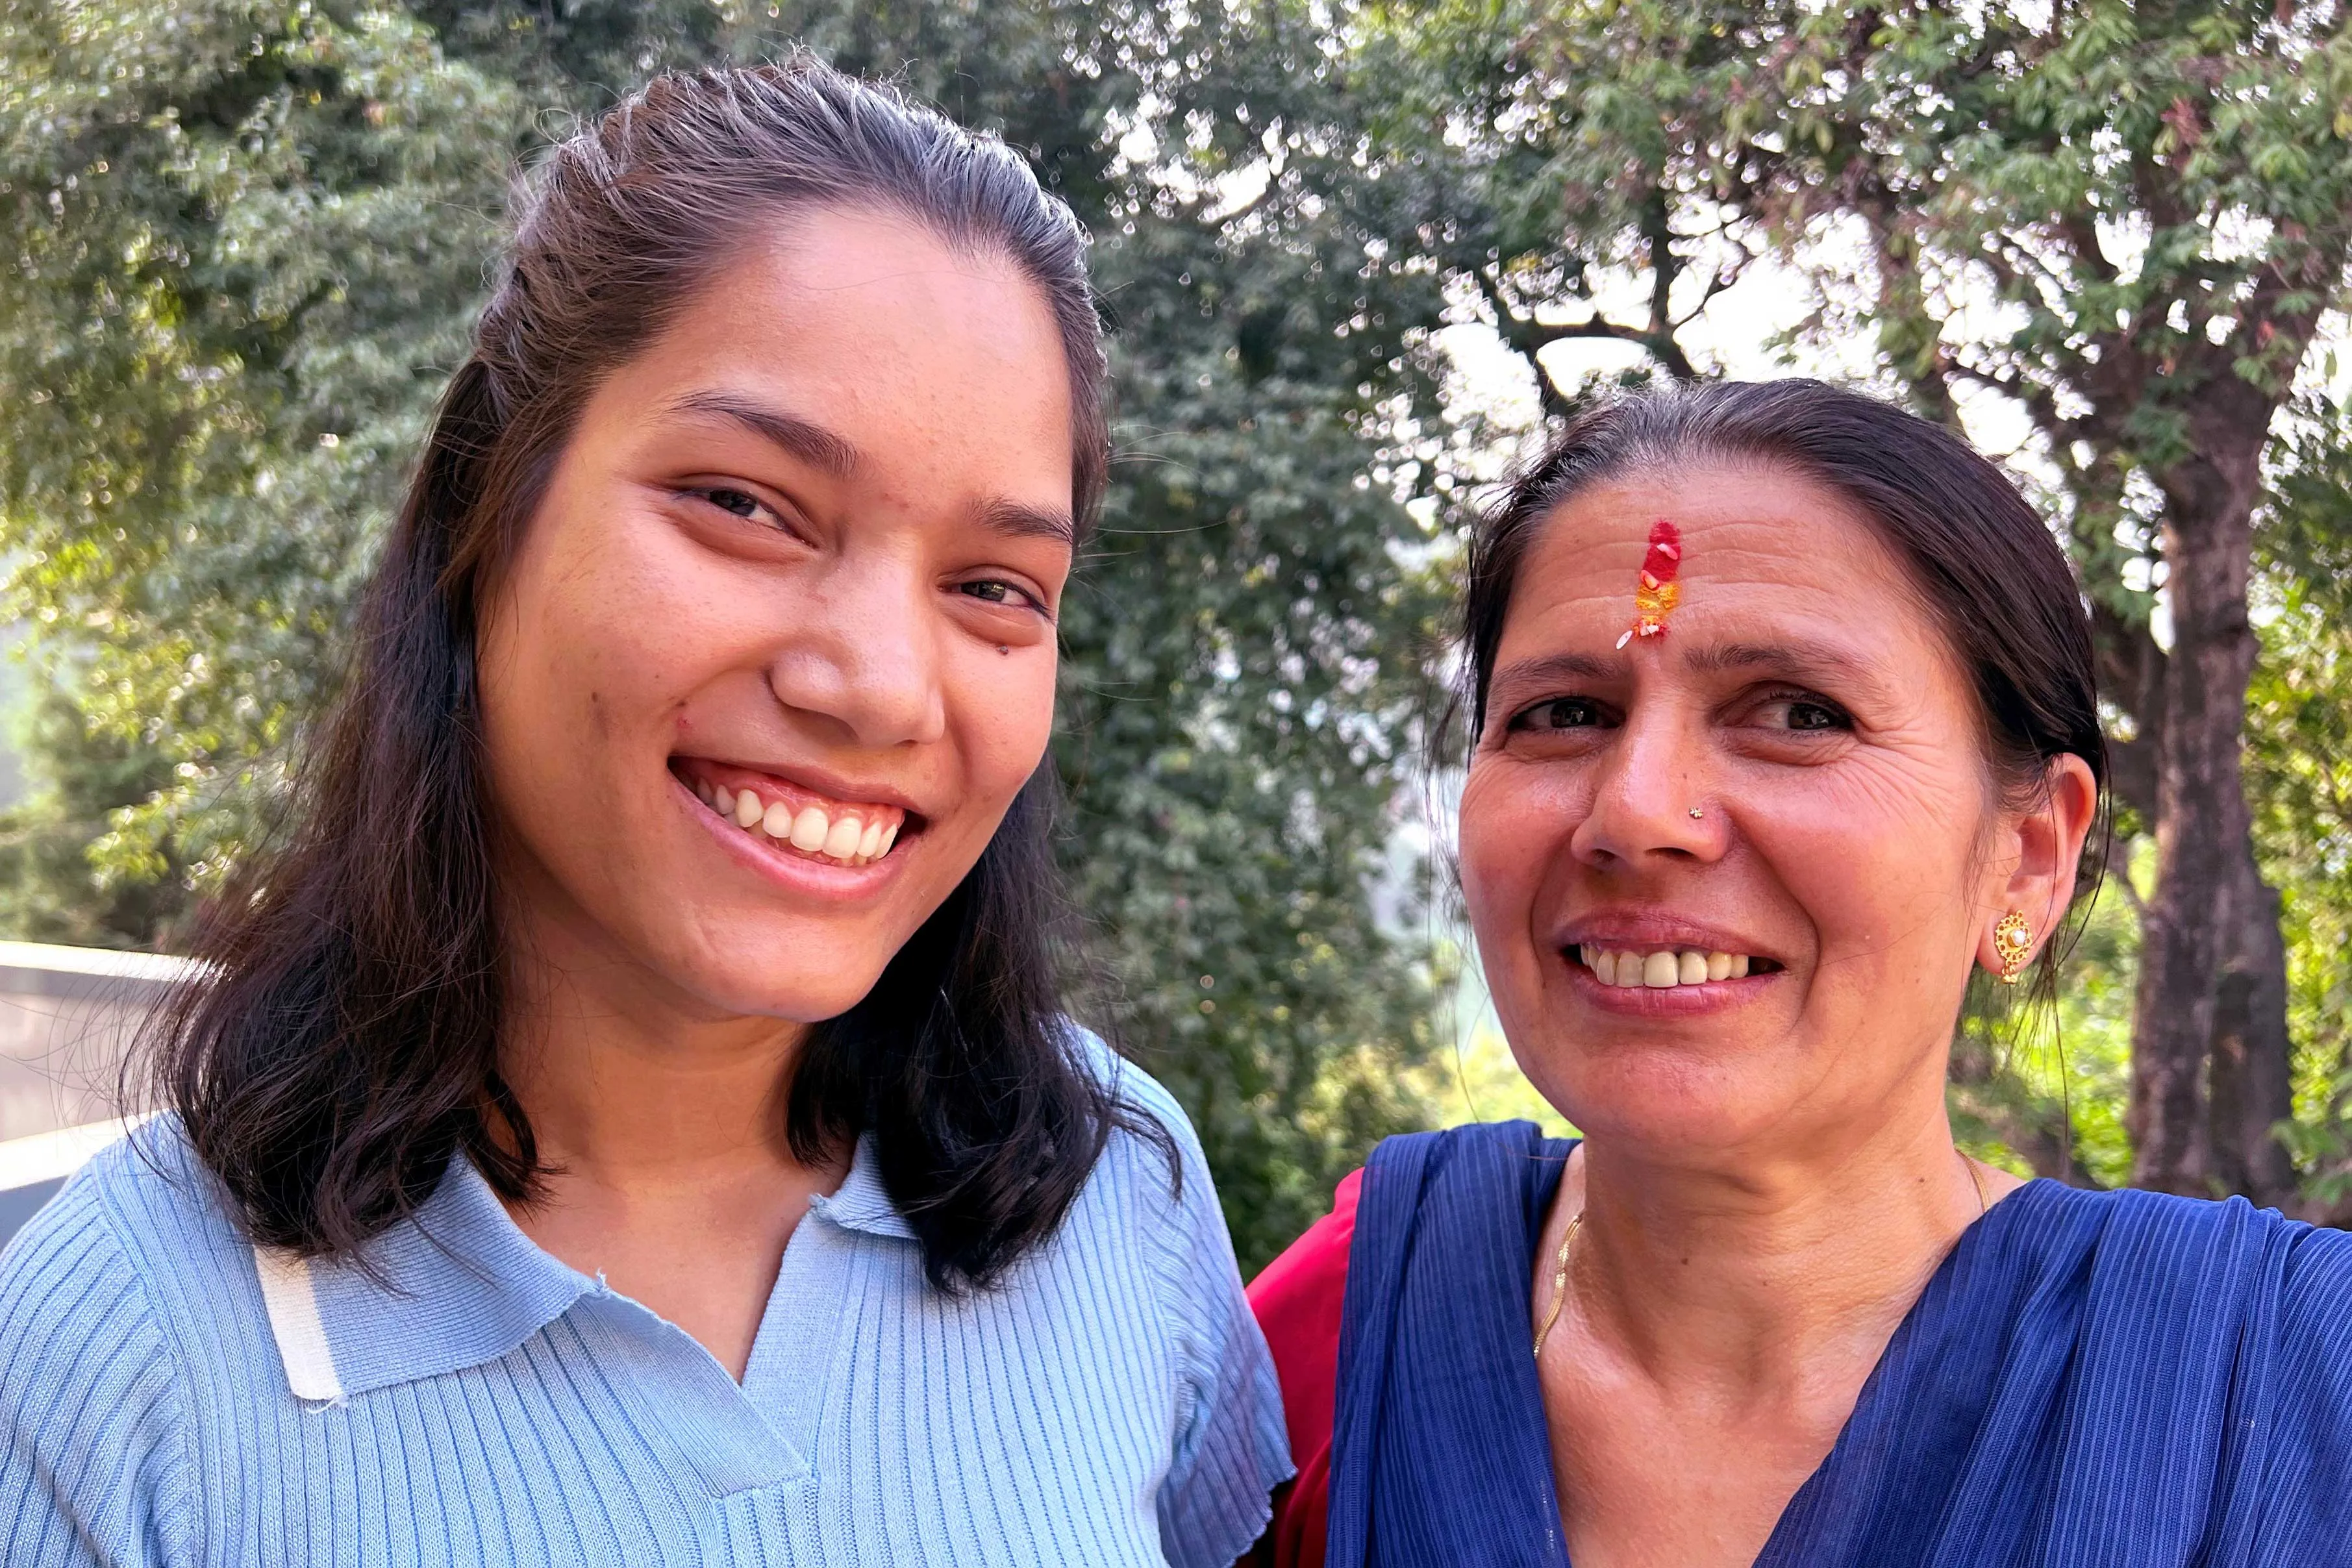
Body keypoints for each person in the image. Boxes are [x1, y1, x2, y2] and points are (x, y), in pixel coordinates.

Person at [0, 61, 1288, 1567]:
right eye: (745, 503)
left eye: (995, 588)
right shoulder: (119, 1353)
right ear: (490, 513)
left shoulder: (1117, 1192)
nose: (878, 688)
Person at [1248, 380, 2352, 1568]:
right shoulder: (1359, 1316)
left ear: (2027, 854)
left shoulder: (2289, 1386)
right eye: (1563, 712)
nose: (1634, 813)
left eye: (1795, 711)